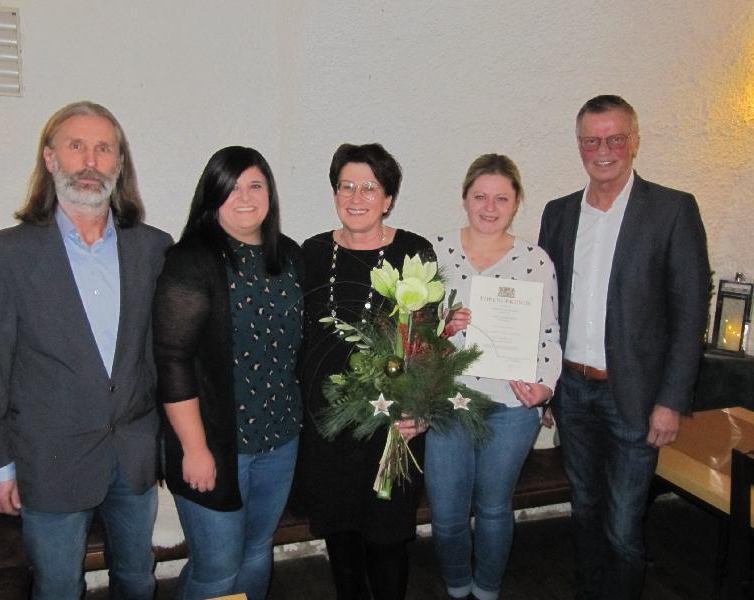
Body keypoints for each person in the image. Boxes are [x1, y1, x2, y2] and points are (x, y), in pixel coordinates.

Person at [0, 101, 172, 600]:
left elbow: (159, 356)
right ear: (50, 159)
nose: (90, 161)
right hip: (48, 459)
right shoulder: (2, 257)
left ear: (119, 165)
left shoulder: (153, 249)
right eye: (76, 146)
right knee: (57, 586)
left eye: (104, 149)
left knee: (138, 579)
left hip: (133, 453)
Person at [538, 94, 710, 600]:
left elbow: (689, 314)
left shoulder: (672, 210)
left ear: (635, 141)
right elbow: (546, 308)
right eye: (592, 140)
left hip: (635, 399)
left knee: (622, 526)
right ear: (579, 146)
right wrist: (547, 385)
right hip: (573, 392)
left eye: (615, 138)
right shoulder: (560, 213)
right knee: (585, 512)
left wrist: (672, 401)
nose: (604, 150)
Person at [153, 146, 303, 600]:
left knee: (257, 551)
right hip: (217, 444)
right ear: (211, 196)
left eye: (255, 185)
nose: (244, 197)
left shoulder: (290, 256)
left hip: (280, 438)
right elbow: (173, 360)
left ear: (269, 194)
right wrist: (194, 448)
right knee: (218, 569)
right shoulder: (191, 260)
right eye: (231, 187)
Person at [425, 154, 562, 600]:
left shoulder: (534, 260)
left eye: (501, 198)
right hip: (447, 402)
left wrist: (545, 387)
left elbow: (548, 332)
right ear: (464, 198)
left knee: (493, 508)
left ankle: (487, 589)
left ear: (516, 202)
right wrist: (441, 327)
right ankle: (457, 585)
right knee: (446, 515)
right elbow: (408, 328)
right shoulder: (436, 251)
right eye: (480, 196)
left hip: (511, 406)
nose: (489, 206)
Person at [299, 143, 431, 600]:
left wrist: (423, 409)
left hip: (394, 427)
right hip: (328, 428)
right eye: (345, 186)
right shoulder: (311, 254)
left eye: (369, 187)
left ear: (389, 197)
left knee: (388, 542)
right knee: (341, 540)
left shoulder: (415, 252)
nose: (356, 197)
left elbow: (429, 344)